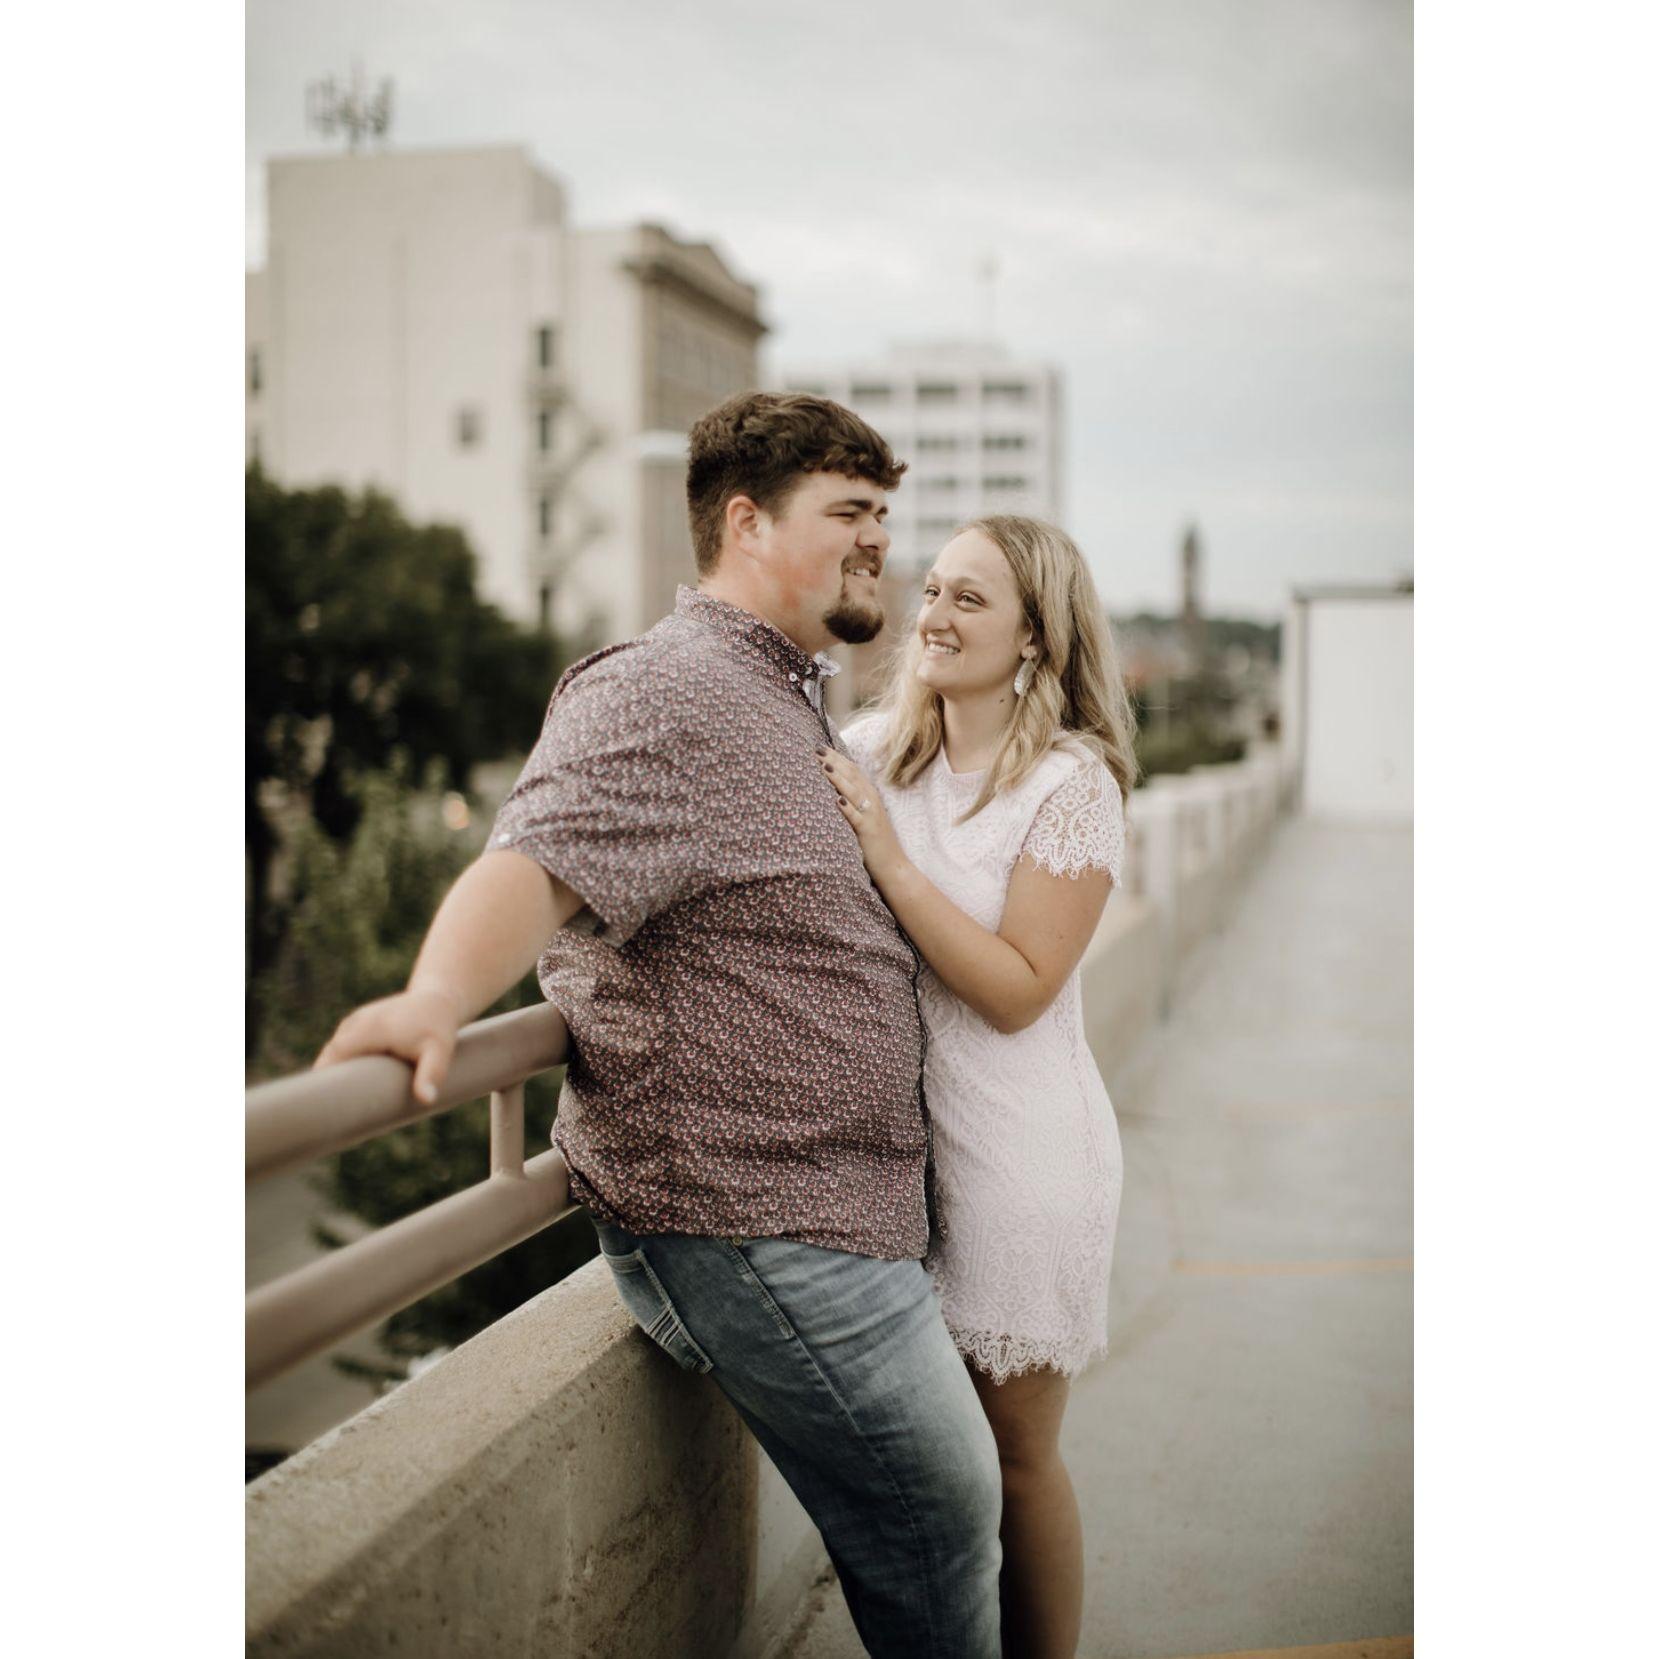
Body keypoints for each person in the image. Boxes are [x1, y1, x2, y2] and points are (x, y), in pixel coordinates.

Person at [314, 391, 1003, 1658]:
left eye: (882, 514)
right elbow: (537, 859)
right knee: (941, 1516)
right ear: (746, 524)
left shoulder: (780, 695)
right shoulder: (666, 689)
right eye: (849, 511)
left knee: (947, 1523)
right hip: (755, 1213)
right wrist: (436, 998)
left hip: (831, 1208)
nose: (879, 540)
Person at [817, 515, 1136, 1659]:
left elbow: (1017, 991)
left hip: (1023, 1160)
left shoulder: (1071, 786)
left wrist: (891, 862)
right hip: (897, 1163)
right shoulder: (868, 753)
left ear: (1036, 636)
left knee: (1014, 1457)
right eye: (934, 591)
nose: (935, 616)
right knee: (937, 1468)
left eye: (970, 599)